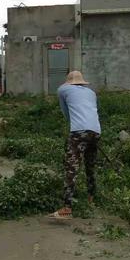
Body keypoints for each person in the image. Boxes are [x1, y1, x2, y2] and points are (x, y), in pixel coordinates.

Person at [50, 70, 101, 222]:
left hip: (79, 131)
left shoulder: (63, 89)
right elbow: (93, 110)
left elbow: (66, 113)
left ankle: (67, 207)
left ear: (69, 81)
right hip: (96, 131)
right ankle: (92, 198)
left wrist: (74, 124)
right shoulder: (91, 93)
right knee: (90, 166)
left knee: (71, 167)